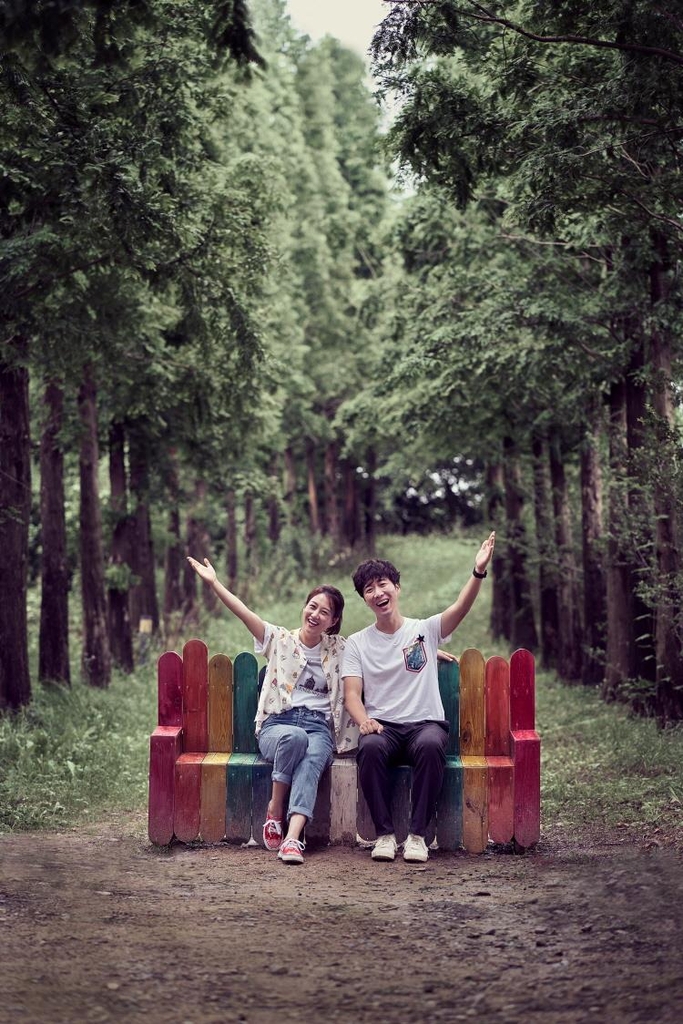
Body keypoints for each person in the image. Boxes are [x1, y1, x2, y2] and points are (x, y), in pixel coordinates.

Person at [187, 557, 358, 865]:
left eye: (325, 612)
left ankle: (292, 839)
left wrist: (426, 649)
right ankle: (274, 809)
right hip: (278, 726)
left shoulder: (340, 648)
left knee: (314, 758)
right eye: (312, 606)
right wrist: (214, 583)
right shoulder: (279, 639)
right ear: (304, 608)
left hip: (319, 727)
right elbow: (243, 612)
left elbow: (381, 650)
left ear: (333, 620)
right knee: (294, 738)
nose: (315, 615)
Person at [342, 532, 496, 863]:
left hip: (424, 724)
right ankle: (383, 835)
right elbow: (351, 694)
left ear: (397, 588)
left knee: (429, 745)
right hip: (383, 726)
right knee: (367, 748)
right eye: (369, 589)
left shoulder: (424, 631)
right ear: (364, 599)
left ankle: (417, 837)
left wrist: (478, 571)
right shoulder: (357, 643)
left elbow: (460, 607)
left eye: (383, 584)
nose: (377, 593)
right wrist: (363, 720)